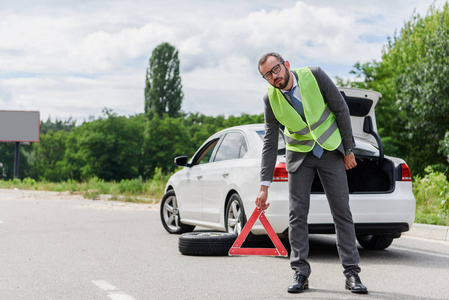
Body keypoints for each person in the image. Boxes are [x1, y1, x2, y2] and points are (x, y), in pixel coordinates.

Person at [255, 52, 368, 294]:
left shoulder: (314, 75)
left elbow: (341, 109)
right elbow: (270, 142)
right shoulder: (270, 99)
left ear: (286, 65)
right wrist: (263, 186)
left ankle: (352, 274)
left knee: (341, 211)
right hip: (299, 157)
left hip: (330, 150)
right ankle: (300, 273)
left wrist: (348, 149)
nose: (274, 77)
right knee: (297, 214)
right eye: (267, 75)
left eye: (276, 70)